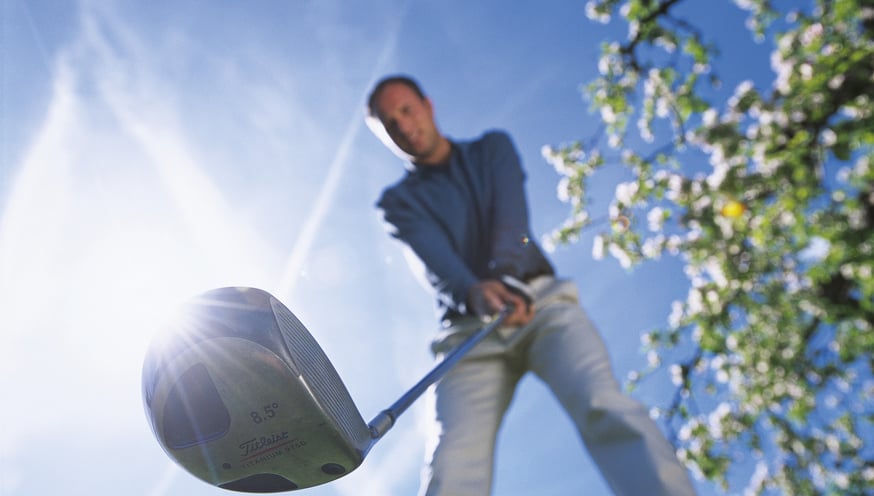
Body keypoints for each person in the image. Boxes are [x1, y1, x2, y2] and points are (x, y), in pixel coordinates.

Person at [365, 74, 696, 496]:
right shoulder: (397, 202)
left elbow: (512, 219)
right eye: (390, 124)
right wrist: (473, 292)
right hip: (469, 332)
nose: (404, 126)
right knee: (452, 460)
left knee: (603, 405)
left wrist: (504, 276)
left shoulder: (492, 148)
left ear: (428, 105)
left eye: (406, 110)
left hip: (541, 305)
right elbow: (435, 261)